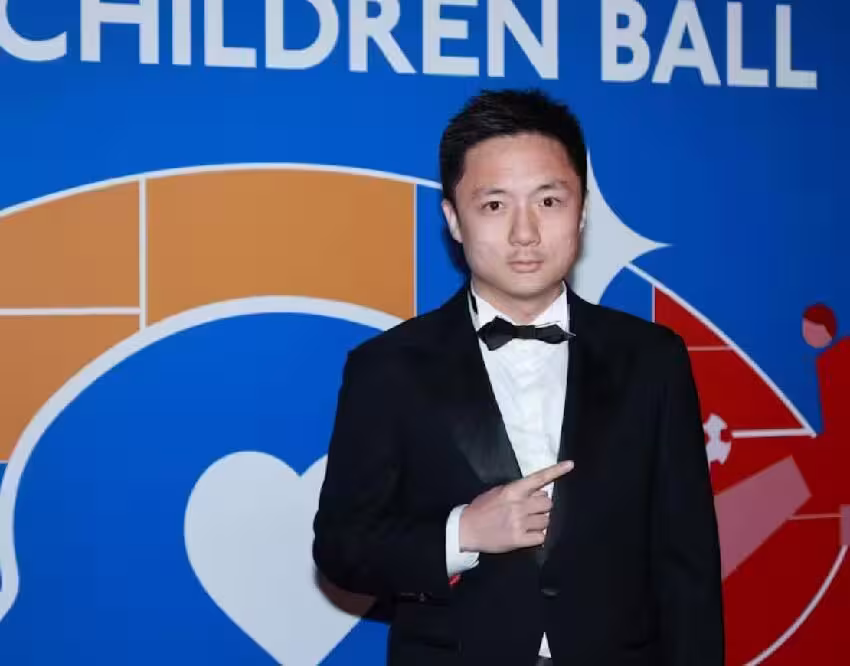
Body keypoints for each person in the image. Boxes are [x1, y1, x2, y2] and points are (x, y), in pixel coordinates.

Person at [312, 89, 724, 665]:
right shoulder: (387, 367)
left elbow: (688, 565)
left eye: (549, 201)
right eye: (494, 205)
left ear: (582, 211)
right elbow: (342, 547)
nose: (525, 233)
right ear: (454, 220)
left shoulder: (653, 358)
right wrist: (462, 532)